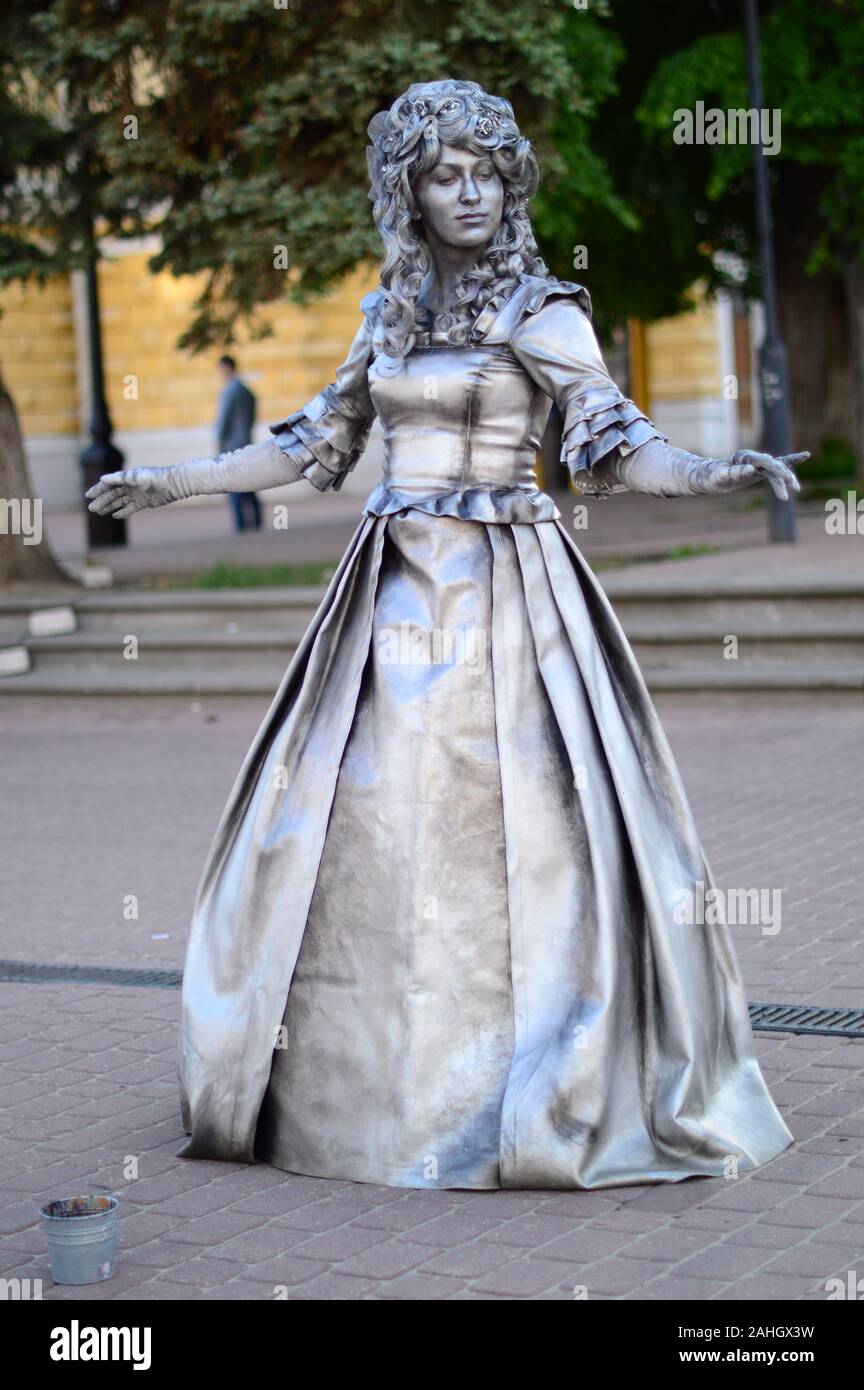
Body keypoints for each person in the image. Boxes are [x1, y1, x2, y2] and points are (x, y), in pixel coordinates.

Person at [87, 79, 804, 1192]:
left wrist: (717, 468)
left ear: (508, 182)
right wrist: (173, 478)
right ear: (409, 191)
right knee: (356, 825)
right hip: (386, 596)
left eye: (484, 171)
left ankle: (528, 1086)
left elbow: (614, 444)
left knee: (526, 830)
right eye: (442, 173)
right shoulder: (390, 317)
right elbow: (309, 444)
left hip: (508, 593)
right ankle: (361, 1095)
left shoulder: (543, 310)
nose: (467, 191)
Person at [215, 355, 261, 530]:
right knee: (250, 485)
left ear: (227, 368)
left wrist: (219, 443)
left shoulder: (229, 391)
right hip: (246, 442)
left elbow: (223, 421)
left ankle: (240, 525)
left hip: (231, 447)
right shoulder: (247, 391)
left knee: (234, 487)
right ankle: (256, 522)